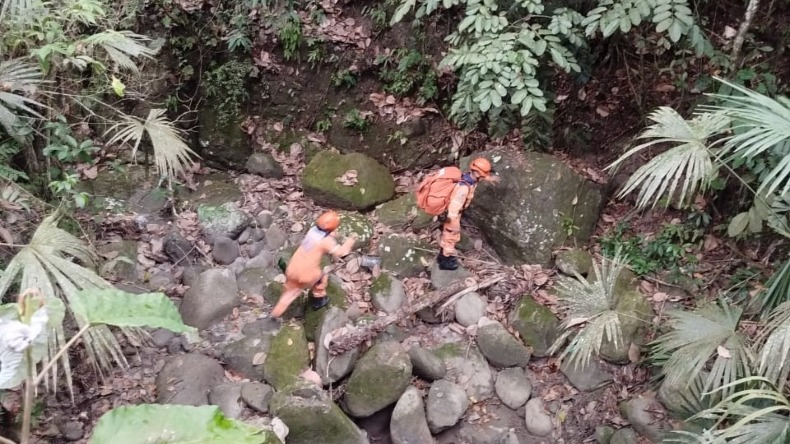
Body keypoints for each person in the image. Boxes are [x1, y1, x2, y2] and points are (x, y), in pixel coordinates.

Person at [270, 210, 357, 319]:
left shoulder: (312, 231)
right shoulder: (326, 241)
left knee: (290, 292)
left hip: (292, 269)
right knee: (321, 279)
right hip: (306, 274)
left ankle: (275, 314)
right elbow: (341, 252)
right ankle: (318, 299)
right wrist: (350, 241)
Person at [437, 157, 499, 270]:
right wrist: (453, 221)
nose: (482, 178)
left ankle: (442, 255)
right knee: (451, 237)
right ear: (476, 173)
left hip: (454, 213)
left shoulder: (468, 178)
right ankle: (445, 261)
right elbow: (454, 206)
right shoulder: (463, 188)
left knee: (449, 236)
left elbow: (478, 177)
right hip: (452, 215)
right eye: (482, 175)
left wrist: (488, 178)